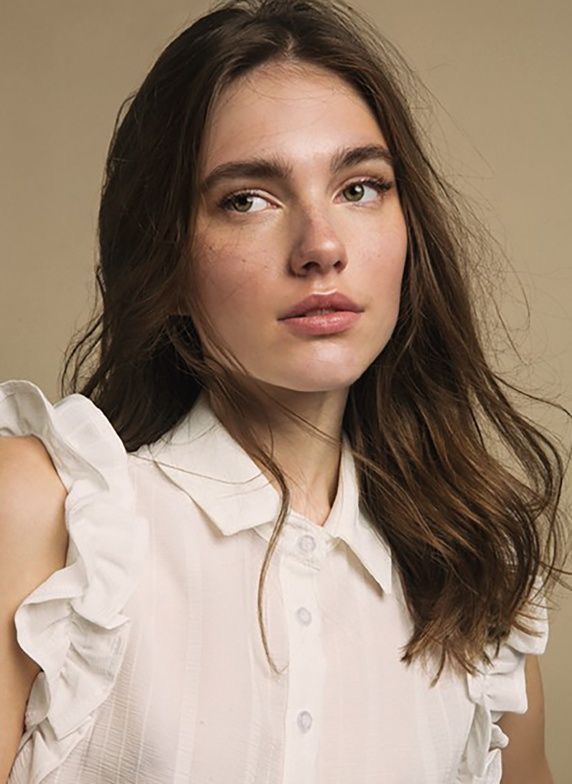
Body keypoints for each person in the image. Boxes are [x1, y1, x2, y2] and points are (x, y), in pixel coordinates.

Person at [0, 0, 568, 782]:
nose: (321, 247)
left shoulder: (475, 581)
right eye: (248, 199)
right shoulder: (53, 518)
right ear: (165, 256)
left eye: (360, 187)